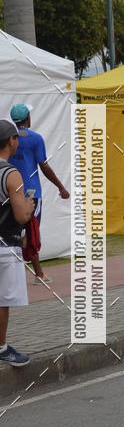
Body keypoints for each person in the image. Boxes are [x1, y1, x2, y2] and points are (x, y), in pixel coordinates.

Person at [9, 103, 70, 284]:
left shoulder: (7, 138)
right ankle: (38, 275)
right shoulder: (35, 139)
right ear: (28, 118)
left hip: (10, 189)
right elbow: (44, 166)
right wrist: (61, 187)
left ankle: (23, 273)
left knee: (16, 231)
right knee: (31, 231)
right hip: (31, 191)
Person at [0, 119, 35, 366]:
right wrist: (29, 206)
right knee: (3, 299)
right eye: (16, 139)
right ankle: (2, 347)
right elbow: (21, 215)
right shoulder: (12, 174)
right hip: (5, 245)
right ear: (11, 141)